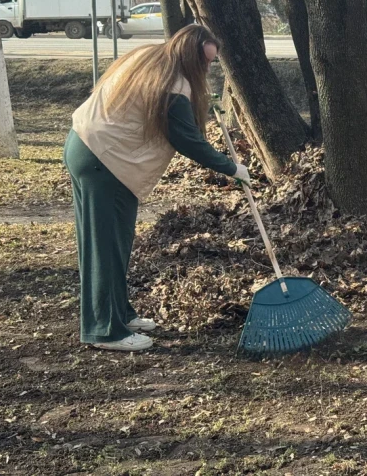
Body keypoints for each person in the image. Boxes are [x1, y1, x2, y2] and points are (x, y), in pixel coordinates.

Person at [63, 25, 249, 352]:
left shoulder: (151, 59)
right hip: (104, 161)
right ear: (190, 57)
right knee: (104, 247)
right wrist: (233, 168)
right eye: (204, 62)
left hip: (88, 148)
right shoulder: (172, 86)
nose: (207, 69)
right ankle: (106, 331)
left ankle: (119, 314)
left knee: (114, 243)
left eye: (211, 62)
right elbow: (187, 141)